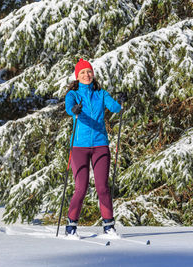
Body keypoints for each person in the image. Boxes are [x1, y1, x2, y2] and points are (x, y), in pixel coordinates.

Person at [64, 58, 126, 236]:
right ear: (78, 76)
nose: (86, 75)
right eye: (83, 72)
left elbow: (114, 108)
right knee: (81, 187)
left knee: (102, 187)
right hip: (79, 147)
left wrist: (120, 103)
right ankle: (71, 226)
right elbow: (69, 107)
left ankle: (109, 226)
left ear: (93, 74)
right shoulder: (74, 94)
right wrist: (74, 109)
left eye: (89, 72)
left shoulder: (101, 94)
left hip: (100, 145)